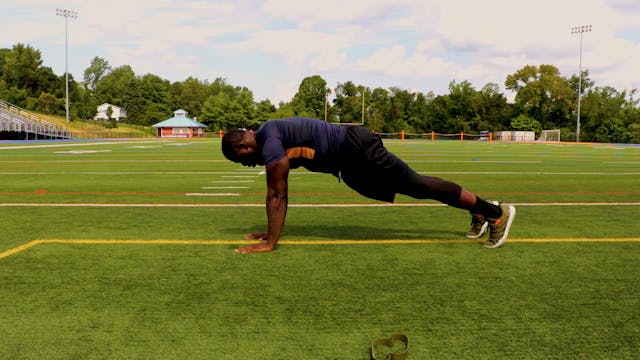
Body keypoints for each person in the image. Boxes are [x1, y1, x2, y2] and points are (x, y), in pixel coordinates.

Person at [221, 117, 516, 254]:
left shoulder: (269, 142)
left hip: (355, 151)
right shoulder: (270, 136)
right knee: (415, 187)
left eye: (241, 161)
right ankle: (478, 212)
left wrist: (271, 242)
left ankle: (494, 212)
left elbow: (276, 195)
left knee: (418, 185)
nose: (247, 166)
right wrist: (271, 230)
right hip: (349, 162)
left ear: (244, 148)